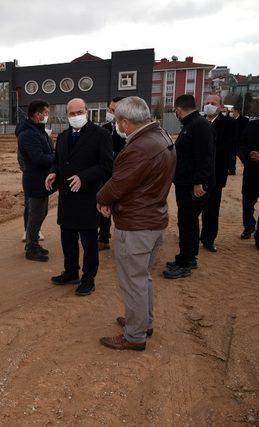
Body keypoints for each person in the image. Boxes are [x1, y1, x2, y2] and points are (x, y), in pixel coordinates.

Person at [96, 96, 176, 351]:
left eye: (118, 120)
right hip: (152, 218)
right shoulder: (160, 136)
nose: (117, 125)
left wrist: (101, 198)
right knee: (142, 278)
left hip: (137, 224)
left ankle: (134, 335)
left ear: (127, 123)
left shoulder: (139, 147)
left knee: (133, 281)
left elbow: (119, 183)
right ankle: (142, 321)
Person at [45, 98, 113, 296]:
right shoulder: (64, 136)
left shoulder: (101, 135)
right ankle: (71, 271)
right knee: (67, 238)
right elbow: (57, 162)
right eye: (72, 114)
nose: (76, 116)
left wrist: (84, 177)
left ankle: (88, 278)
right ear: (67, 115)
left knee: (89, 242)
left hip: (88, 197)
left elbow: (107, 166)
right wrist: (53, 173)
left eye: (79, 112)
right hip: (67, 198)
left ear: (87, 112)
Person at [163, 94, 215, 279]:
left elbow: (205, 157)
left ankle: (185, 262)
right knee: (187, 222)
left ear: (178, 109)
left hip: (193, 185)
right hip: (185, 183)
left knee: (188, 222)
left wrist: (199, 183)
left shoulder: (199, 126)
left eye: (175, 110)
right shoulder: (190, 125)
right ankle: (187, 257)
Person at [16, 100, 55, 262]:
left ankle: (34, 244)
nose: (47, 115)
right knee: (35, 214)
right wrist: (57, 157)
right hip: (35, 180)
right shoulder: (28, 134)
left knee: (41, 212)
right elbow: (38, 158)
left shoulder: (38, 131)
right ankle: (31, 247)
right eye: (46, 112)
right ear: (38, 115)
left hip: (41, 180)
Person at [200, 95, 238, 252]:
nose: (209, 105)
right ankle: (190, 235)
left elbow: (228, 147)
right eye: (207, 103)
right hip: (198, 173)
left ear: (220, 107)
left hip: (216, 173)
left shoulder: (228, 124)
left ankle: (209, 238)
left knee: (212, 209)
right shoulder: (199, 122)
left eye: (213, 103)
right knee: (194, 208)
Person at [238, 95, 259, 251]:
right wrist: (249, 156)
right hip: (251, 172)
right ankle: (249, 226)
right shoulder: (252, 126)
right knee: (247, 203)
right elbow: (241, 145)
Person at [99, 96, 127, 250]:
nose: (109, 112)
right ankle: (103, 238)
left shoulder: (129, 131)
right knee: (104, 206)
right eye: (109, 109)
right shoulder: (104, 129)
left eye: (113, 110)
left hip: (125, 176)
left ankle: (125, 240)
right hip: (107, 176)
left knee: (123, 209)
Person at [229, 106, 250, 175]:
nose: (231, 113)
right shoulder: (231, 119)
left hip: (241, 142)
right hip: (232, 141)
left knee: (242, 155)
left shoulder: (244, 120)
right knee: (232, 155)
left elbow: (246, 131)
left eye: (232, 111)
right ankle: (232, 170)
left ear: (236, 111)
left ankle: (248, 166)